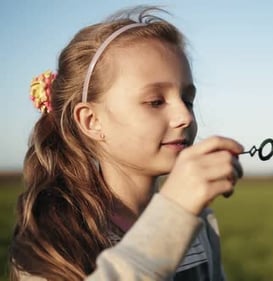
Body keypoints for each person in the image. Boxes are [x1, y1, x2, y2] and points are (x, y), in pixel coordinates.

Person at [9, 6, 243, 281]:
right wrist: (173, 215)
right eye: (155, 101)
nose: (184, 117)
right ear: (92, 121)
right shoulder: (53, 242)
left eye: (188, 100)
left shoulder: (196, 221)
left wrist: (182, 213)